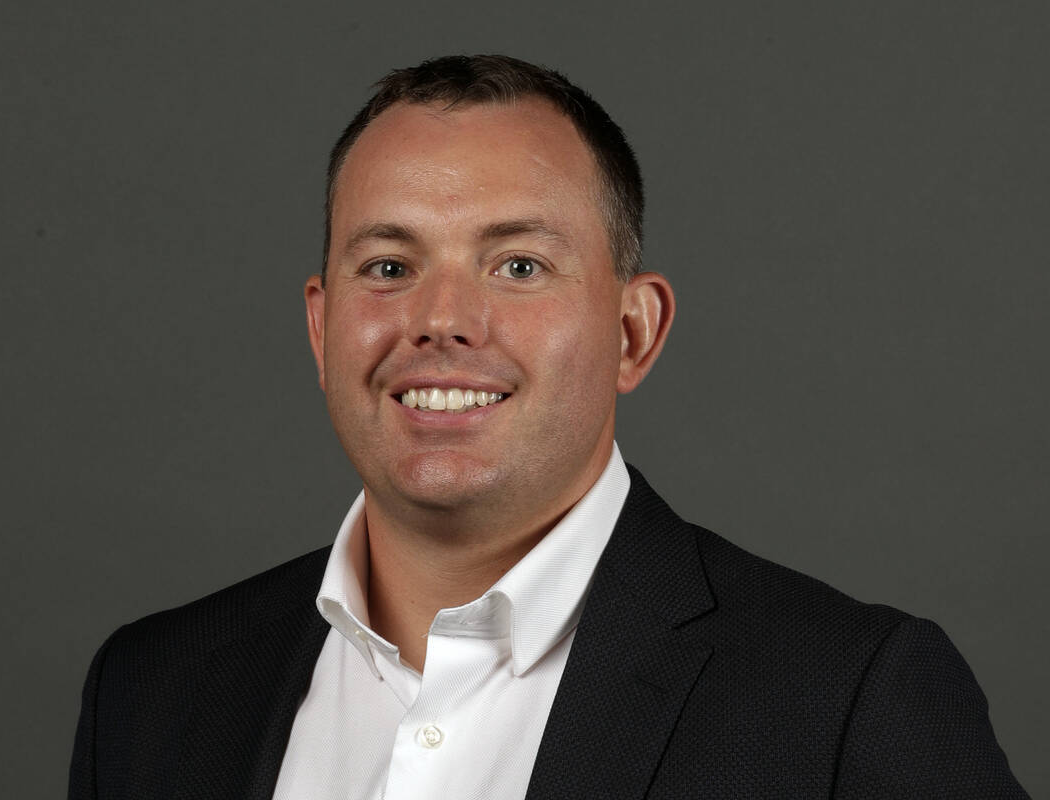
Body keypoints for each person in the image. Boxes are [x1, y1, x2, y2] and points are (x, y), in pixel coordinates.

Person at [67, 55, 1027, 799]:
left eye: (518, 266)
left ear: (632, 331)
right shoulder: (154, 694)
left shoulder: (846, 700)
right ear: (322, 328)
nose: (441, 319)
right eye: (389, 267)